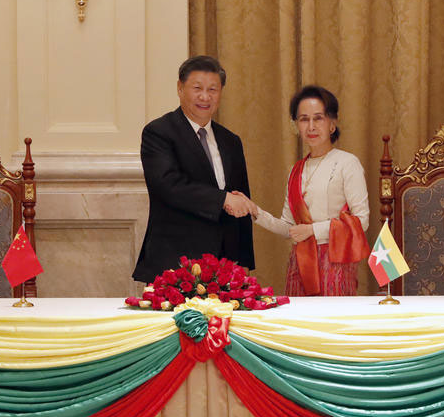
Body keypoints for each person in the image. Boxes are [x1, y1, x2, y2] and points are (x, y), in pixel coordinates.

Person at [133, 56, 256, 282]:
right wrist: (222, 199)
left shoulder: (231, 141)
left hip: (225, 267)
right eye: (197, 88)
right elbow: (168, 185)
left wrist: (245, 261)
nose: (205, 97)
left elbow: (240, 198)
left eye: (213, 89)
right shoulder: (159, 132)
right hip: (175, 264)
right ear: (180, 88)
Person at [249, 85, 370, 295]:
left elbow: (362, 221)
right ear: (296, 125)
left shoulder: (347, 163)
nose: (311, 126)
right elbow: (289, 227)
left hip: (336, 261)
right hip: (301, 262)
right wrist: (255, 212)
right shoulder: (296, 170)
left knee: (330, 325)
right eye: (304, 119)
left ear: (332, 123)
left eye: (318, 118)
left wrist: (312, 230)